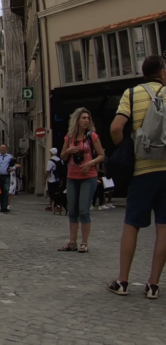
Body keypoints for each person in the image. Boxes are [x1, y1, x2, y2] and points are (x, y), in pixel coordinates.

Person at [108, 55, 166, 298]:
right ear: (162, 72)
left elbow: (115, 128)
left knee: (132, 225)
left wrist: (126, 150)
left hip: (142, 171)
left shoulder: (131, 94)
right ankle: (153, 284)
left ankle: (122, 281)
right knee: (163, 228)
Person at [57, 107, 105, 253]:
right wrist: (68, 151)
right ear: (77, 120)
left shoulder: (92, 136)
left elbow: (102, 155)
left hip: (88, 177)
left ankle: (84, 242)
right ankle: (72, 242)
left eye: (87, 118)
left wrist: (90, 163)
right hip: (72, 177)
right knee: (72, 210)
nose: (86, 121)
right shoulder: (69, 137)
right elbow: (62, 157)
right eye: (83, 118)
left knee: (84, 211)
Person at [0, 144, 14, 213]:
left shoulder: (9, 157)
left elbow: (14, 165)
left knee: (6, 190)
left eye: (4, 148)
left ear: (6, 149)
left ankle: (5, 207)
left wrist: (13, 168)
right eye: (1, 148)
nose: (2, 149)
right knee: (1, 191)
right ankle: (2, 207)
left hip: (6, 175)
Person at [46, 148, 67, 214]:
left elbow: (48, 171)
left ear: (51, 153)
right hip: (58, 180)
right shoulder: (61, 160)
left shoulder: (50, 161)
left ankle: (56, 206)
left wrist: (44, 179)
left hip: (51, 180)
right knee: (58, 193)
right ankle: (55, 205)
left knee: (52, 194)